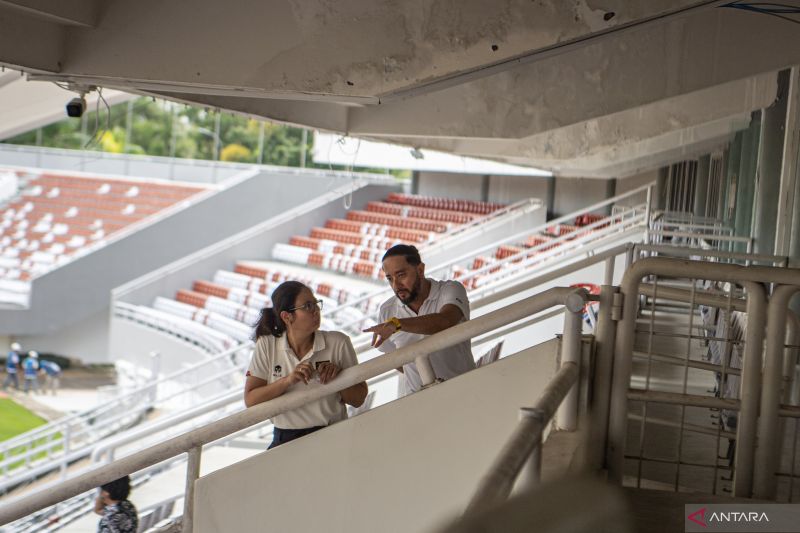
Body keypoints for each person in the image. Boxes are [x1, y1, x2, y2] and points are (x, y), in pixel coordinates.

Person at [244, 281, 368, 449]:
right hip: (285, 438)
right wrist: (288, 380)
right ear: (286, 317)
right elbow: (251, 399)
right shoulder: (267, 344)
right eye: (308, 306)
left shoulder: (338, 342)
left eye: (316, 303)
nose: (316, 310)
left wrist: (338, 378)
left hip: (333, 435)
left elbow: (358, 399)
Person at [363, 244, 475, 395]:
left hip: (466, 390)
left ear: (420, 270)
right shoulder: (387, 310)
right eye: (390, 278)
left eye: (401, 275)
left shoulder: (451, 289)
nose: (396, 285)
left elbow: (446, 321)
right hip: (419, 400)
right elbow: (396, 360)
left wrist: (398, 324)